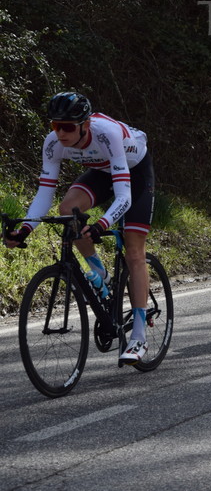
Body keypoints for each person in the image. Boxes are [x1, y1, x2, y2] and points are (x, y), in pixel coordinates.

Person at [3, 91, 154, 365]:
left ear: (85, 124)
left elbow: (124, 197)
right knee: (67, 210)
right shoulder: (53, 143)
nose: (60, 133)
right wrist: (25, 229)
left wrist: (101, 225)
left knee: (134, 253)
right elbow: (45, 194)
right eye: (55, 125)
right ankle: (100, 273)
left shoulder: (107, 134)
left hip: (134, 171)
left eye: (68, 127)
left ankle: (139, 336)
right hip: (101, 171)